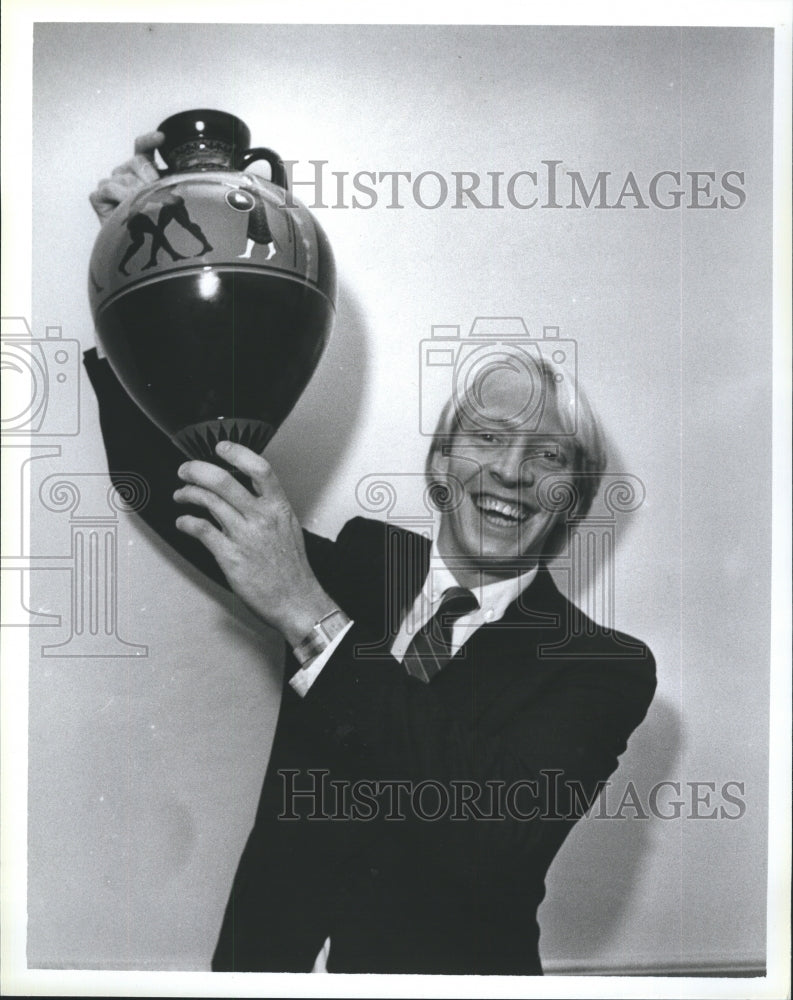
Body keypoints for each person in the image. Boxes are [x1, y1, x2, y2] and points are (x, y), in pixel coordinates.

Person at [86, 135, 656, 976]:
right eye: (488, 438)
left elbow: (495, 833)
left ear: (570, 498)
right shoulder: (357, 564)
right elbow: (160, 484)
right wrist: (147, 268)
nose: (508, 470)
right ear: (438, 466)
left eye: (548, 455)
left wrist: (311, 621)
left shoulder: (603, 667)